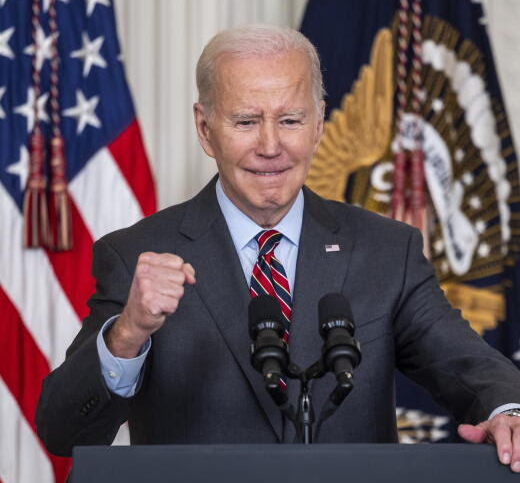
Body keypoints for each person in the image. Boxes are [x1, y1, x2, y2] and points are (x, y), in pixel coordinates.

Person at [36, 24, 520, 470]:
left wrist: (508, 411)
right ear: (205, 129)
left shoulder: (387, 251)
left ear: (318, 124)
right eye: (246, 121)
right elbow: (63, 431)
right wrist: (128, 334)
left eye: (290, 119)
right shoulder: (136, 255)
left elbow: (465, 362)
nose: (271, 146)